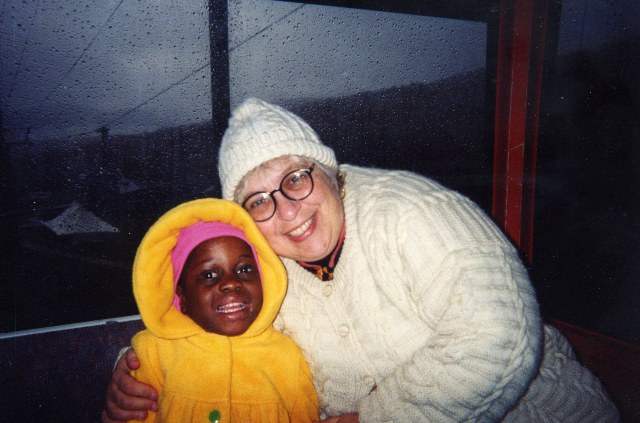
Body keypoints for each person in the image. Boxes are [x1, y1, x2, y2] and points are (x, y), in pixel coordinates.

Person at [104, 98, 619, 423]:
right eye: (259, 200)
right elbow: (210, 335)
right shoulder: (264, 267)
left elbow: (496, 336)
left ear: (328, 169)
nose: (287, 210)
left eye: (295, 179)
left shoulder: (411, 211)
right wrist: (138, 375)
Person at [125, 197, 319, 423]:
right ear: (182, 297)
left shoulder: (287, 356)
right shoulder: (152, 352)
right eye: (208, 275)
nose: (230, 282)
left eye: (245, 269)